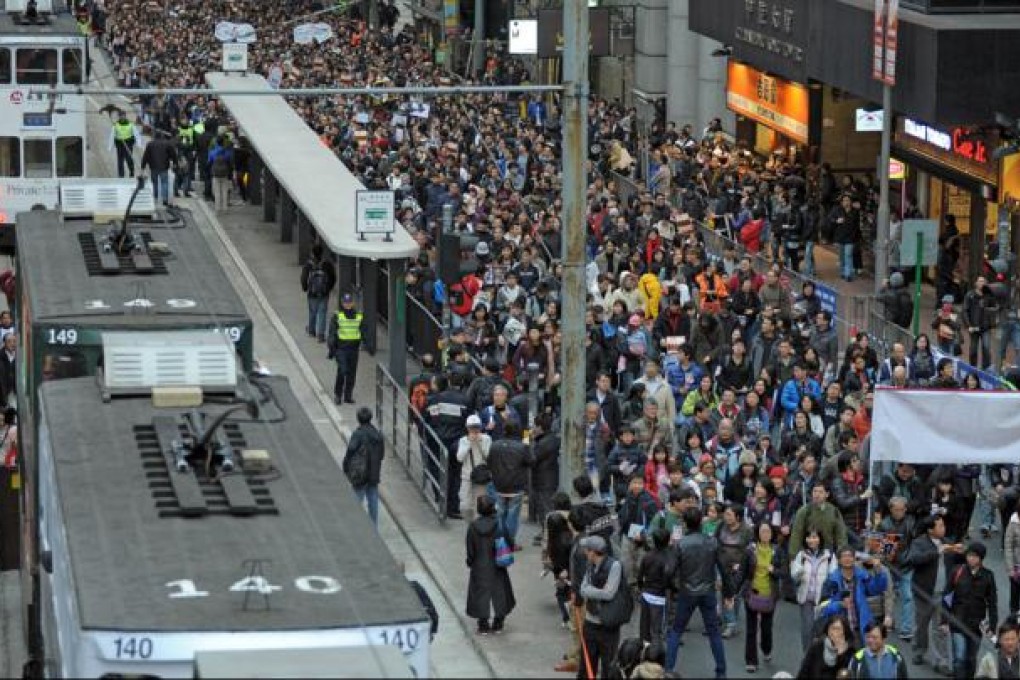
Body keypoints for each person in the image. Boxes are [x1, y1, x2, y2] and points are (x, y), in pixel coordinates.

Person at [665, 508, 729, 679]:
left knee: (676, 631)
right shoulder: (712, 542)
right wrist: (729, 592)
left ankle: (668, 669)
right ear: (701, 522)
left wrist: (674, 586)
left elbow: (669, 571)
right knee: (714, 632)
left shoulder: (680, 544)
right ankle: (721, 671)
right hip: (708, 591)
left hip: (686, 592)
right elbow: (723, 569)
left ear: (685, 524)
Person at [943, 541, 998, 679]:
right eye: (969, 555)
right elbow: (946, 597)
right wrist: (944, 621)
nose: (971, 559)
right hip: (957, 622)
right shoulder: (957, 571)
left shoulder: (988, 576)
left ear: (981, 558)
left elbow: (992, 603)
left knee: (971, 659)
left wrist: (992, 625)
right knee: (959, 658)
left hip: (976, 626)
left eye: (974, 556)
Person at [578, 535, 629, 679]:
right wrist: (599, 591)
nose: (585, 553)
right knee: (586, 666)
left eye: (587, 550)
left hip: (608, 626)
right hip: (590, 623)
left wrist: (591, 590)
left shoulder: (614, 566)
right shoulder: (589, 566)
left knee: (608, 667)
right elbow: (582, 589)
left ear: (593, 552)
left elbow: (609, 594)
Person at [465, 495, 516, 635]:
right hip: (497, 563)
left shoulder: (473, 527)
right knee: (500, 591)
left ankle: (483, 624)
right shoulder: (499, 523)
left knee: (480, 593)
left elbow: (470, 549)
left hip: (479, 565)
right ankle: (498, 623)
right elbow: (509, 541)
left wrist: (470, 561)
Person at [424, 374, 470, 518]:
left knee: (437, 468)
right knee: (455, 474)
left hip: (437, 440)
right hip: (457, 442)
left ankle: (440, 497)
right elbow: (467, 421)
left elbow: (427, 418)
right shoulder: (465, 400)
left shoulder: (435, 399)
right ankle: (452, 507)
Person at [743, 521, 783, 673]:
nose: (765, 534)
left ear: (772, 534)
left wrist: (774, 570)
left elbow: (783, 573)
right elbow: (743, 572)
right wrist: (733, 592)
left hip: (769, 595)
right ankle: (751, 661)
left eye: (768, 531)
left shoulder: (777, 550)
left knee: (766, 629)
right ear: (758, 533)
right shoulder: (750, 550)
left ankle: (767, 649)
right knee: (751, 630)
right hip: (751, 593)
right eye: (762, 531)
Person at [487, 421, 533, 546]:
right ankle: (510, 542)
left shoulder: (494, 445)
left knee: (500, 514)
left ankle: (499, 540)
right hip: (516, 487)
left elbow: (489, 462)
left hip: (499, 485)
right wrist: (527, 439)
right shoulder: (522, 446)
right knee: (512, 516)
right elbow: (531, 460)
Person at [791, 529, 836, 651]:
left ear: (820, 539)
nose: (812, 540)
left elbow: (834, 575)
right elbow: (794, 575)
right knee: (807, 628)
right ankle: (807, 655)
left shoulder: (829, 556)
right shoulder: (801, 555)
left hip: (823, 599)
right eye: (809, 537)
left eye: (815, 537)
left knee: (821, 629)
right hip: (806, 597)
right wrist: (798, 573)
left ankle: (820, 656)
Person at [341, 407, 385, 527]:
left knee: (357, 498)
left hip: (361, 472)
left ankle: (353, 526)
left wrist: (345, 465)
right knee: (373, 499)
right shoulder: (378, 434)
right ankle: (373, 527)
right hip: (374, 472)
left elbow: (350, 450)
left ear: (358, 419)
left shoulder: (358, 434)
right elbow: (381, 455)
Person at [637, 528, 673, 646]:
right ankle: (656, 654)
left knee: (644, 627)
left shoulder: (647, 556)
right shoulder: (668, 558)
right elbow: (669, 579)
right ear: (668, 541)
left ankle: (644, 650)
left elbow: (640, 577)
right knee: (656, 629)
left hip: (646, 593)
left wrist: (641, 588)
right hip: (660, 597)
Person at [326, 292, 364, 405]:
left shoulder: (358, 316)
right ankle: (338, 395)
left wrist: (368, 344)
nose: (347, 304)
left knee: (351, 373)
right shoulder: (337, 316)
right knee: (342, 371)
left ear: (352, 303)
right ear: (342, 303)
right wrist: (332, 347)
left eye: (349, 302)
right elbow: (332, 332)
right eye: (345, 302)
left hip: (353, 349)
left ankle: (348, 395)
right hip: (341, 348)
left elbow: (363, 330)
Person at [797, 614, 856, 679]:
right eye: (832, 628)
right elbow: (803, 672)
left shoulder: (850, 652)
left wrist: (840, 656)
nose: (834, 632)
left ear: (845, 631)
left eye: (838, 629)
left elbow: (844, 675)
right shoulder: (817, 647)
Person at [456, 415, 492, 521]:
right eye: (471, 427)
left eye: (476, 427)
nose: (474, 430)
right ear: (467, 428)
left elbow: (488, 456)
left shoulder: (486, 439)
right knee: (465, 505)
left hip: (481, 476)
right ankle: (470, 524)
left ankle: (477, 529)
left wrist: (479, 443)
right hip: (467, 476)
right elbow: (459, 458)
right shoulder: (463, 440)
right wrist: (469, 443)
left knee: (479, 505)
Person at [300, 245, 337, 343]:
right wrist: (329, 288)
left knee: (312, 312)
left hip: (312, 293)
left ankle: (312, 331)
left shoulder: (308, 265)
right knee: (322, 313)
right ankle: (321, 335)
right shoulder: (326, 264)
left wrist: (305, 288)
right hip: (324, 293)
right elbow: (333, 277)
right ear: (322, 253)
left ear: (312, 253)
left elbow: (304, 277)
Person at [140, 131, 178, 206]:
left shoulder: (150, 144)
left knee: (155, 183)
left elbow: (145, 156)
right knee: (164, 183)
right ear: (162, 136)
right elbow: (173, 154)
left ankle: (156, 198)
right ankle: (165, 199)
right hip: (164, 167)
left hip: (153, 167)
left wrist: (143, 167)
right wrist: (175, 163)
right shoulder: (167, 144)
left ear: (154, 136)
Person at [108, 110, 139, 178]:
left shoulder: (131, 124)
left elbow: (136, 134)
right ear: (119, 117)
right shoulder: (116, 125)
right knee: (120, 161)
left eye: (123, 116)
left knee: (129, 159)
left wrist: (139, 143)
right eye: (121, 116)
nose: (122, 117)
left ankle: (131, 172)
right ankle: (121, 175)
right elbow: (112, 136)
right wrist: (110, 147)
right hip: (120, 144)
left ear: (125, 116)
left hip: (128, 143)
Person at [208, 134, 235, 211]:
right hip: (224, 173)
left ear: (216, 142)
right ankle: (225, 207)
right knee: (224, 190)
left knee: (216, 191)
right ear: (223, 142)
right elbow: (230, 162)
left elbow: (209, 162)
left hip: (215, 173)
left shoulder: (212, 152)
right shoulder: (227, 152)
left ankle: (217, 207)